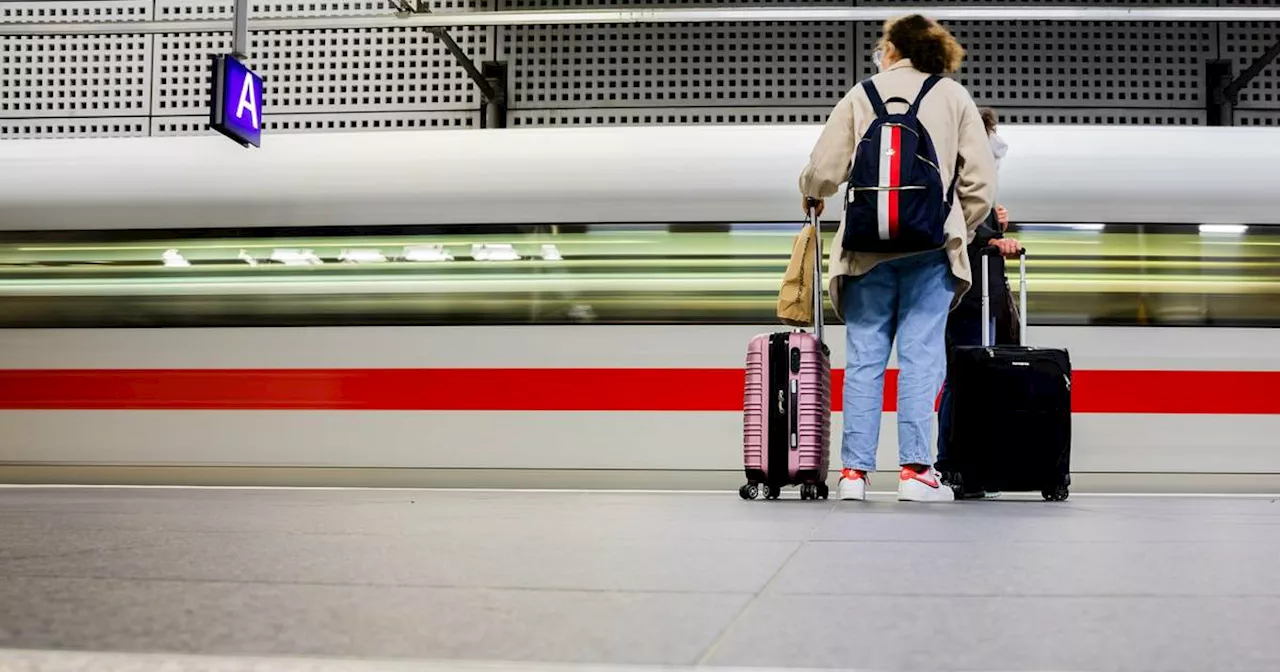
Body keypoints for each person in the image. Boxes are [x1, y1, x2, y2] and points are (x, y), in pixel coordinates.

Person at [798, 14, 997, 502]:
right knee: (921, 358)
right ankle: (915, 474)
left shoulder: (860, 94)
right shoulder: (953, 97)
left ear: (892, 48)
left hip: (865, 251)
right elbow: (981, 186)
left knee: (864, 359)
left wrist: (812, 193)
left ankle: (853, 476)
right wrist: (955, 228)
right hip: (931, 252)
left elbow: (822, 172)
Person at [933, 107, 1022, 496]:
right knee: (964, 379)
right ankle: (955, 466)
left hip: (977, 296)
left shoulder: (967, 183)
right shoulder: (957, 179)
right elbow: (954, 232)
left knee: (966, 380)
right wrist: (991, 239)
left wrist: (996, 229)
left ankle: (964, 465)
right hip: (968, 297)